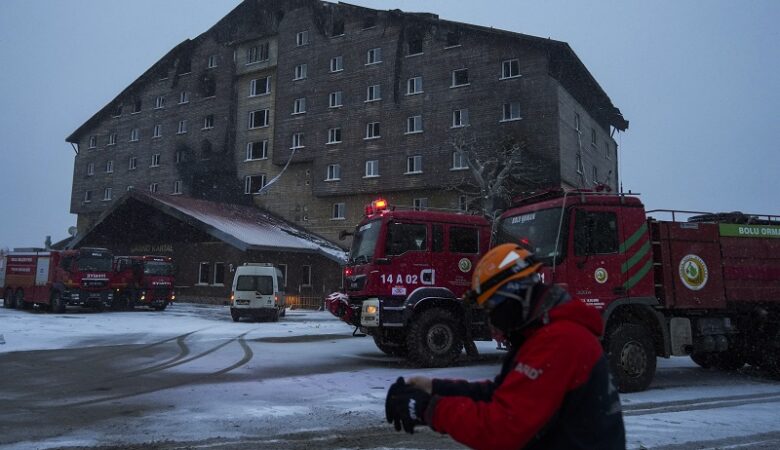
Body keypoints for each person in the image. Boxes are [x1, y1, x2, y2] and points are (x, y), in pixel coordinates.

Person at [385, 243, 626, 450]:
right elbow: (502, 393)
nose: (492, 319)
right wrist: (435, 388)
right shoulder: (544, 334)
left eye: (491, 307)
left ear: (514, 296)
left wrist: (428, 408)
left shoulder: (560, 341)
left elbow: (502, 427)